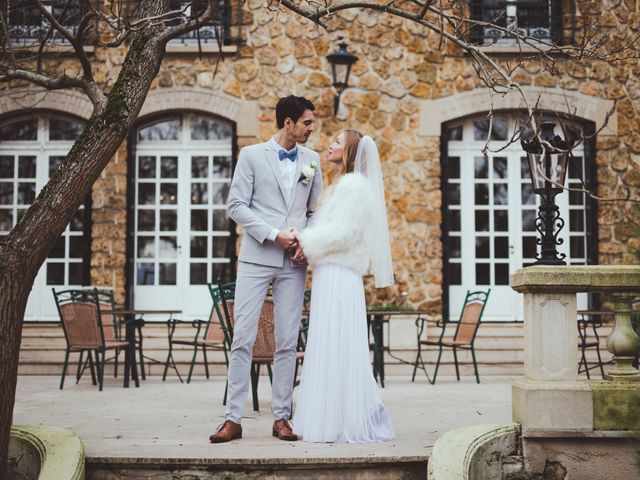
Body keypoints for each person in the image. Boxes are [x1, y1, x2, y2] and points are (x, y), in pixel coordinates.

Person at [209, 95, 323, 443]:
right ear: (288, 123)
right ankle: (233, 418)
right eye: (306, 122)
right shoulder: (252, 155)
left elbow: (315, 211)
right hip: (257, 258)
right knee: (242, 338)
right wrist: (275, 235)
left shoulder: (313, 161)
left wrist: (306, 241)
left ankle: (282, 418)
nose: (311, 128)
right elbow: (236, 206)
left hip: (294, 263)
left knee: (288, 341)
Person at [291, 130, 396, 443]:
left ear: (350, 150)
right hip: (328, 271)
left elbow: (345, 234)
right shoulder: (340, 185)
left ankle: (345, 419)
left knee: (338, 342)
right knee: (327, 341)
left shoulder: (355, 186)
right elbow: (328, 227)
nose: (330, 144)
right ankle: (330, 417)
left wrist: (303, 240)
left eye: (337, 141)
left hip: (340, 273)